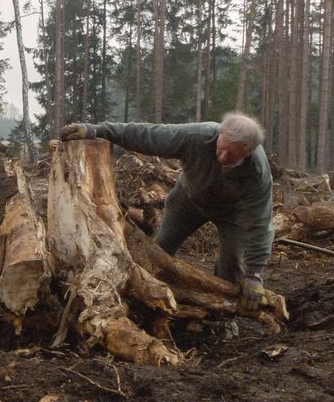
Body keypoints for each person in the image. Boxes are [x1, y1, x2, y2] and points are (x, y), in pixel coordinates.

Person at [60, 112, 274, 313]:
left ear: (247, 152)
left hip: (232, 213)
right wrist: (98, 130)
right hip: (187, 201)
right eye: (222, 148)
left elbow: (260, 223)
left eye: (232, 154)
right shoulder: (196, 136)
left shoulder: (258, 171)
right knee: (159, 251)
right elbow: (148, 135)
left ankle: (224, 315)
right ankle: (147, 301)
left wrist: (254, 274)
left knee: (232, 265)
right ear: (220, 134)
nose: (223, 156)